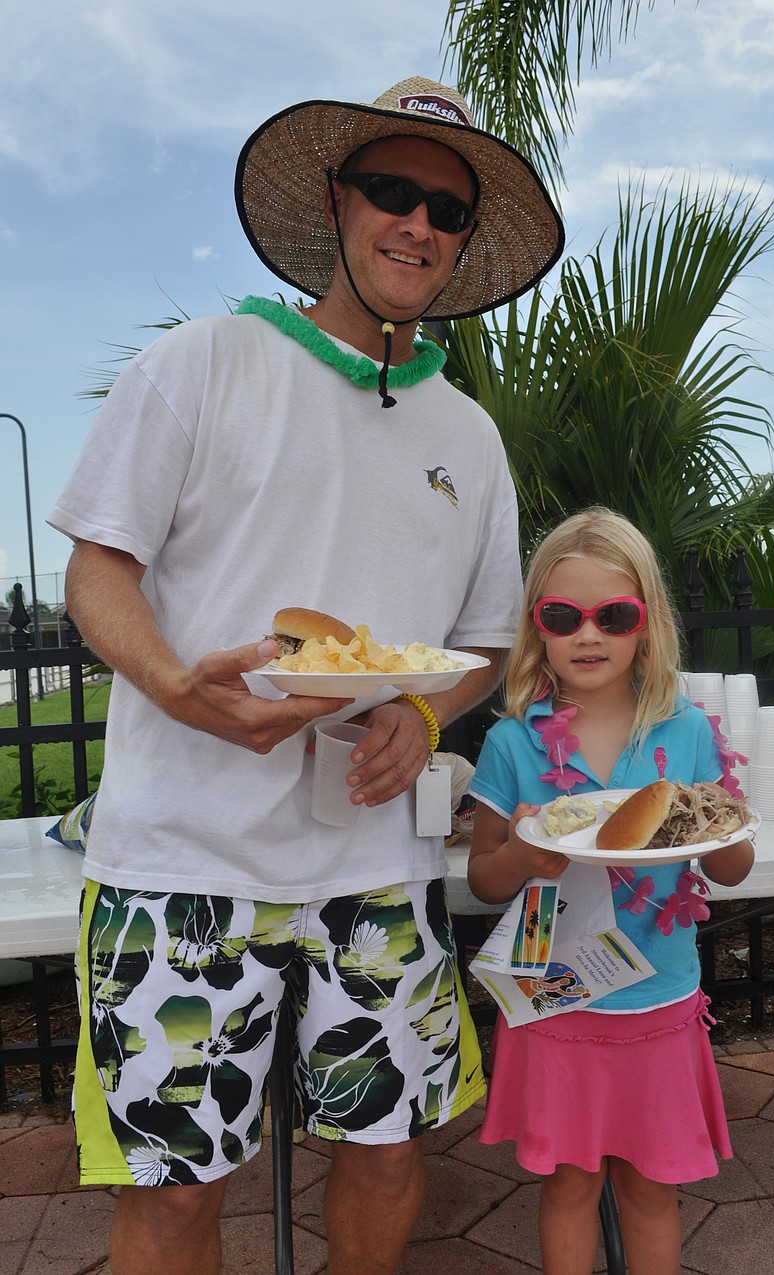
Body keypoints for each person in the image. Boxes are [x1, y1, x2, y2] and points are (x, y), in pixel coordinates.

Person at [46, 77, 564, 1275]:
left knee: (387, 1154)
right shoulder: (203, 364)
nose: (418, 227)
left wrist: (425, 710)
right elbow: (99, 571)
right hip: (181, 857)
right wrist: (175, 684)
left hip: (375, 867)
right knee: (178, 1193)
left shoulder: (466, 436)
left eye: (445, 210)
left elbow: (484, 642)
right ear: (336, 203)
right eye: (393, 193)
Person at [466, 507, 754, 1275]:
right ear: (539, 628)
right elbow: (484, 876)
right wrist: (526, 852)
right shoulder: (512, 741)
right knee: (568, 1185)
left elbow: (731, 867)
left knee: (654, 1188)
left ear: (647, 625)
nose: (587, 635)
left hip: (657, 998)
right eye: (563, 615)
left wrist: (716, 823)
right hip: (559, 998)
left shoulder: (685, 731)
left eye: (613, 615)